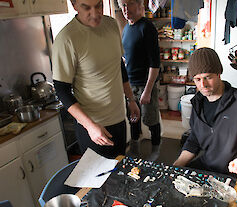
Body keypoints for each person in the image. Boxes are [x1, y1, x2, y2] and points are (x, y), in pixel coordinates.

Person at [52, 0, 140, 159]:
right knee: (98, 181)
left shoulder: (111, 25)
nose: (95, 13)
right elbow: (61, 90)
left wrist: (131, 99)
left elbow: (118, 66)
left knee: (119, 171)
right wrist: (90, 126)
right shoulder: (67, 39)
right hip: (93, 126)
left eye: (99, 5)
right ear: (74, 6)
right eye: (86, 7)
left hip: (119, 118)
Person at [173, 47, 237, 189]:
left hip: (233, 175)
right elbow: (195, 138)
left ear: (219, 74)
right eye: (198, 79)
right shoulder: (198, 101)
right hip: (207, 167)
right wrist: (179, 164)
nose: (203, 85)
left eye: (208, 77)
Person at [118, 0, 161, 160]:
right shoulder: (126, 29)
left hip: (145, 84)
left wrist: (148, 91)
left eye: (129, 4)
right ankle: (135, 148)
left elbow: (155, 64)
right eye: (123, 6)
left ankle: (156, 149)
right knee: (133, 118)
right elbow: (128, 54)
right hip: (130, 84)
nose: (125, 9)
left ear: (139, 5)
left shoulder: (147, 27)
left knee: (151, 119)